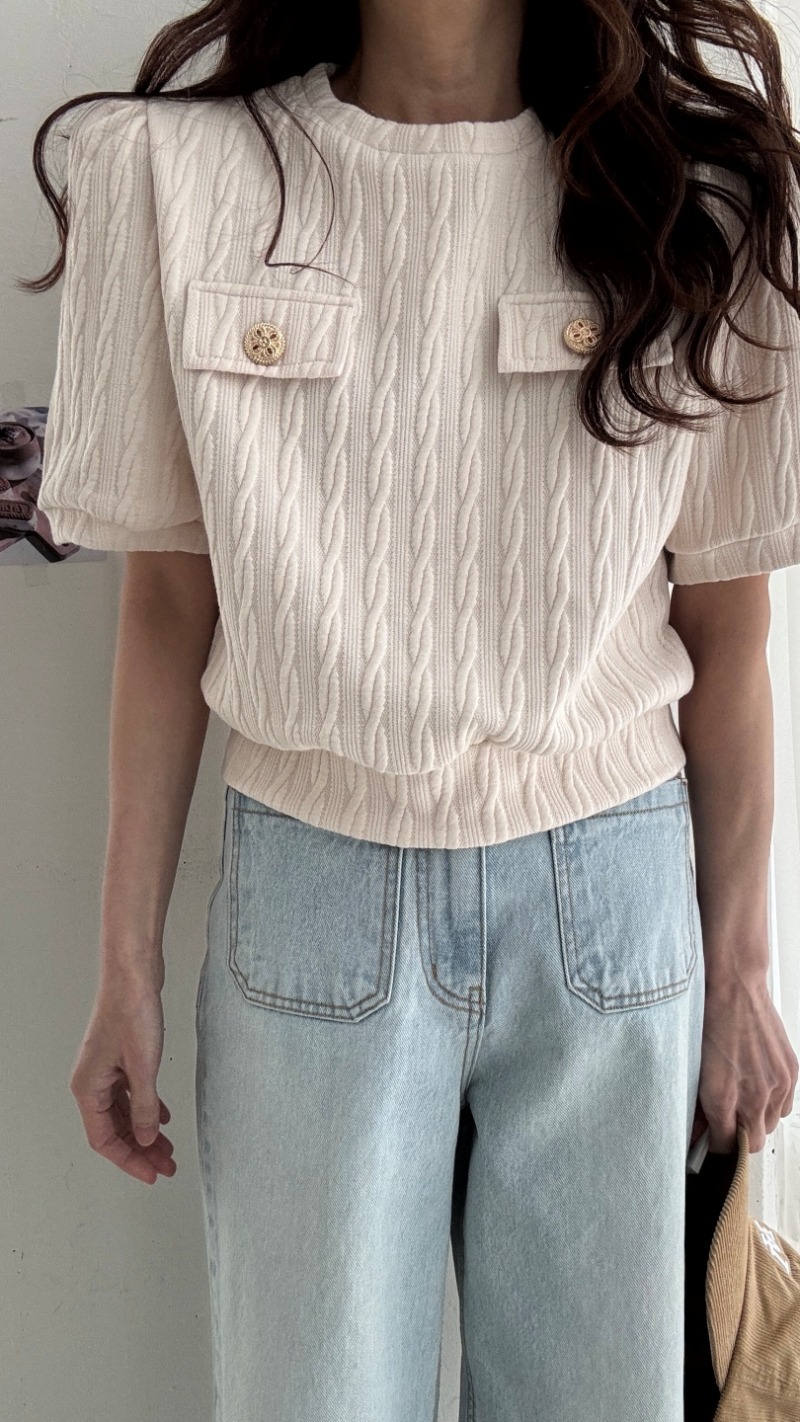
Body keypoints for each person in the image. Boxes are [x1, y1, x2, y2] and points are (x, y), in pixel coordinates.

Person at [26, 1, 800, 1418]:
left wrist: (746, 966)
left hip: (611, 891)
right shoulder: (175, 176)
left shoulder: (692, 199)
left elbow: (729, 624)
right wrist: (123, 966)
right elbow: (167, 605)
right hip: (311, 886)